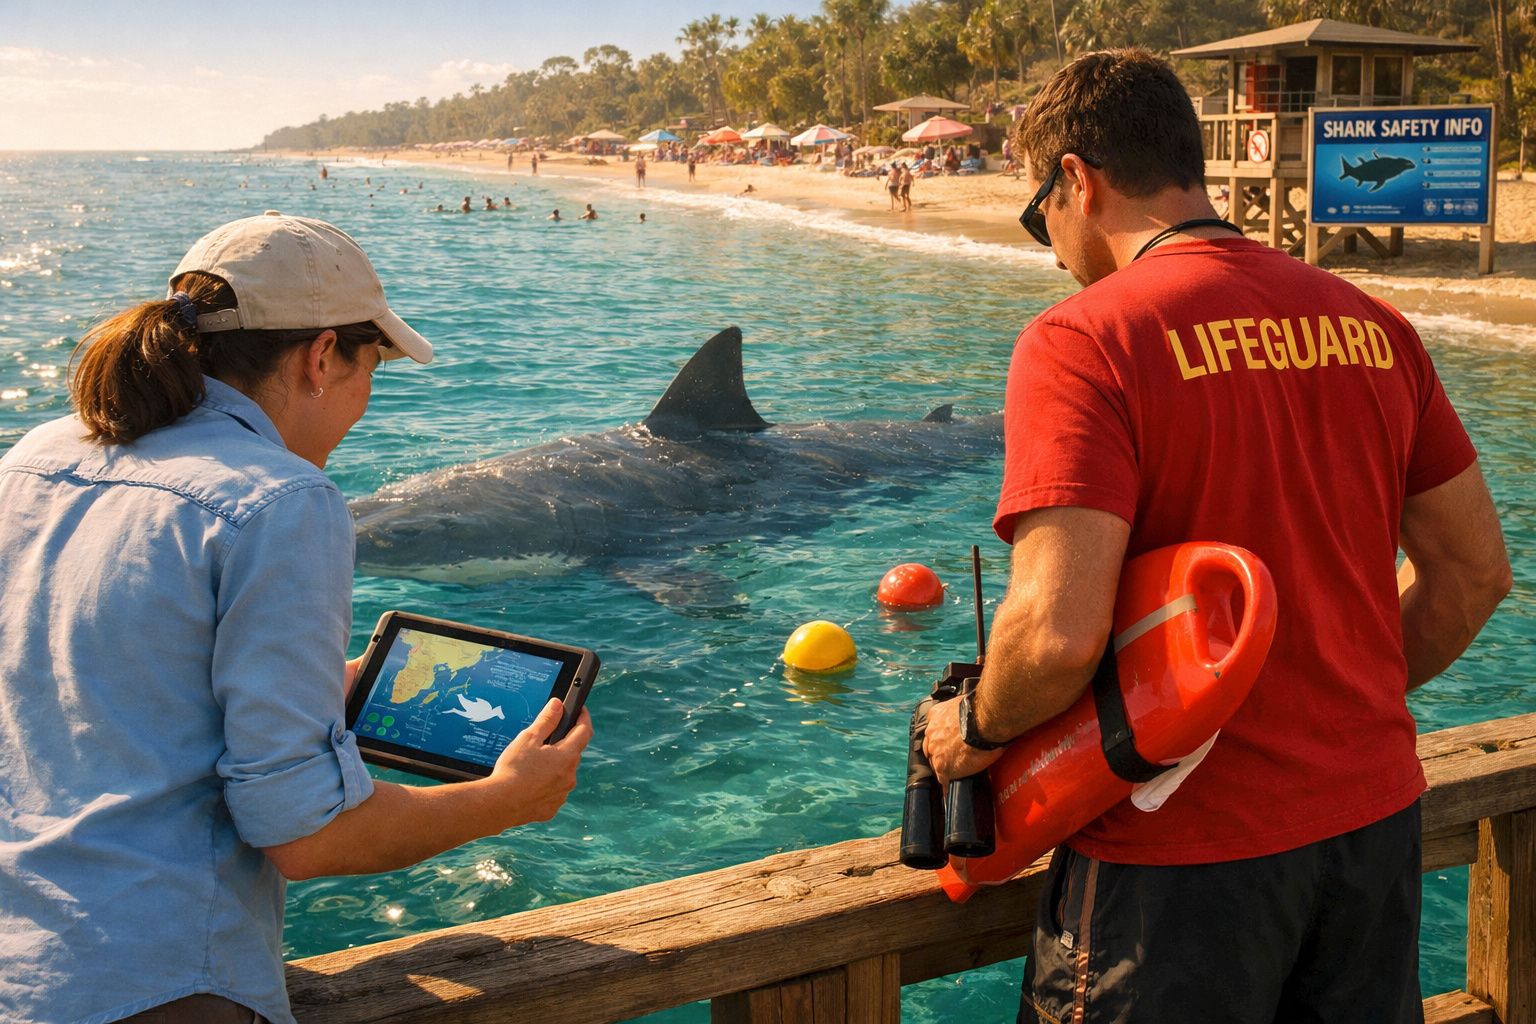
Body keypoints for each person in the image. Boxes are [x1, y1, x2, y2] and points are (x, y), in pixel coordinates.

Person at [922, 48, 1510, 1024]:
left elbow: (1058, 635)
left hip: (1177, 869)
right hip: (1370, 832)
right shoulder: (1372, 325)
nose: (1052, 246)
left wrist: (972, 723)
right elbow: (1476, 573)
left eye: (1041, 219)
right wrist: (1327, 694)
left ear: (1077, 178)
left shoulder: (1083, 340)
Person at [0, 212, 593, 1024]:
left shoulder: (37, 455)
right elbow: (306, 835)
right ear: (322, 356)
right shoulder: (281, 500)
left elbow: (85, 685)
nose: (366, 398)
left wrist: (314, 694)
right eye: (372, 363)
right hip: (155, 984)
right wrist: (509, 797)